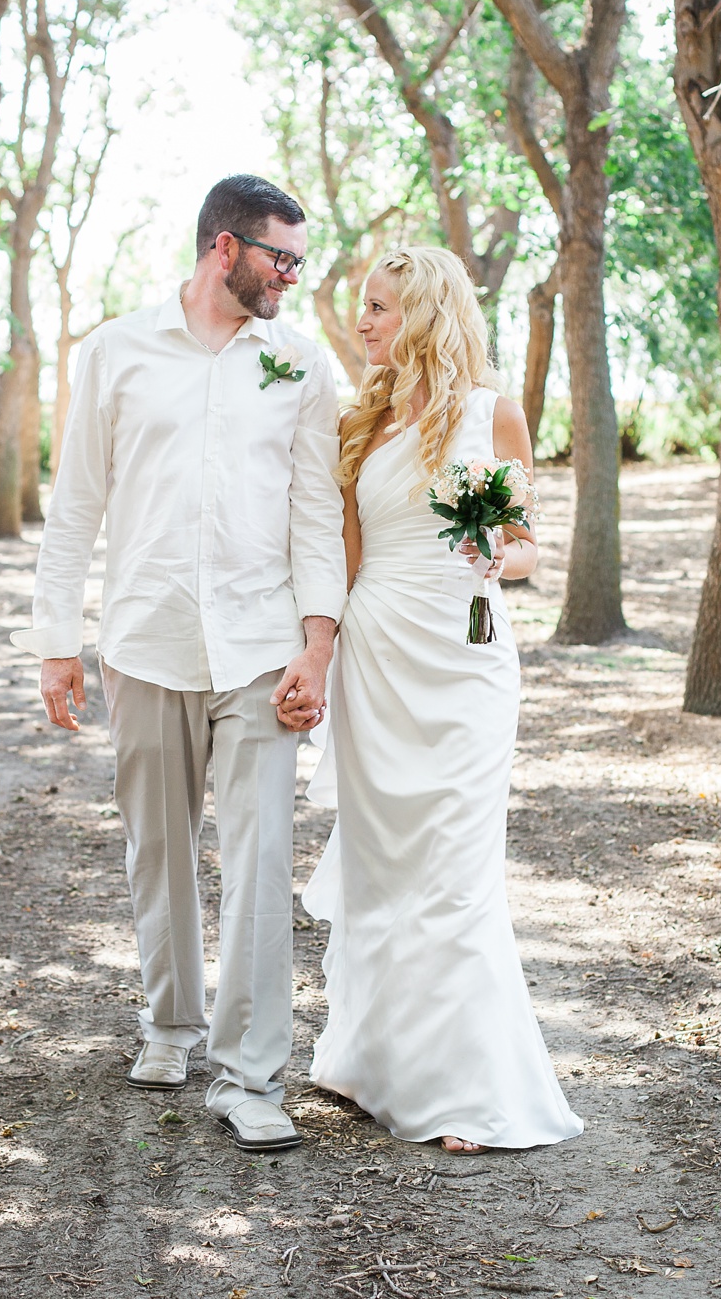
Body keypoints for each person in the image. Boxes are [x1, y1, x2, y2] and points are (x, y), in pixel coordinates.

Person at [14, 175, 345, 1153]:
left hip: (260, 650)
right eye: (278, 257)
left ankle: (251, 1077)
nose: (291, 275)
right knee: (156, 846)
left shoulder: (300, 362)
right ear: (222, 248)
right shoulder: (115, 352)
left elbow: (316, 512)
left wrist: (316, 644)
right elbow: (74, 502)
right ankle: (168, 1025)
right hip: (146, 644)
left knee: (256, 862)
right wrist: (55, 642)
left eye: (297, 258)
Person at [301, 246, 583, 1155]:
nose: (364, 323)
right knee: (386, 870)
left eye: (379, 307)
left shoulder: (494, 415)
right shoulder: (357, 423)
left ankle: (464, 1090)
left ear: (424, 313)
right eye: (361, 308)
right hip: (378, 658)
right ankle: (373, 1061)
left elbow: (529, 545)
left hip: (466, 658)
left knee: (457, 868)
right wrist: (315, 657)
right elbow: (342, 563)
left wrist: (502, 556)